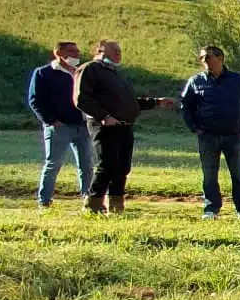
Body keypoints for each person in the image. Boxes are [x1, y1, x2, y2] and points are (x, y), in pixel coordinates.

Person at [74, 39, 174, 213]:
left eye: (120, 50)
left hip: (125, 126)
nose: (119, 53)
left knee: (122, 167)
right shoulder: (90, 69)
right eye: (114, 49)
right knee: (107, 165)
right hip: (105, 126)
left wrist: (156, 102)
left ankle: (116, 204)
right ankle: (92, 204)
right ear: (100, 50)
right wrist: (104, 116)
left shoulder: (116, 73)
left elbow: (128, 102)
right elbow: (81, 99)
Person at [179, 45, 240, 219]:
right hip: (207, 136)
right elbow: (185, 106)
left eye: (207, 57)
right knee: (209, 175)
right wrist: (194, 128)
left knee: (238, 175)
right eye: (201, 58)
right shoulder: (195, 81)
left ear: (220, 58)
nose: (204, 61)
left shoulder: (238, 80)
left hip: (234, 136)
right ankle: (211, 209)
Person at [27, 40, 93, 207]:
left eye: (77, 52)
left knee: (86, 165)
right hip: (59, 127)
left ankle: (89, 199)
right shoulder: (44, 73)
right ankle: (44, 201)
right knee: (53, 164)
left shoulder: (81, 72)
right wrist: (51, 121)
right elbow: (35, 100)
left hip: (82, 125)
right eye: (72, 52)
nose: (77, 55)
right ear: (59, 54)